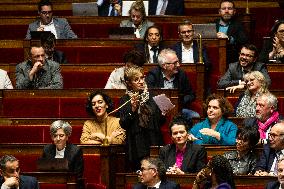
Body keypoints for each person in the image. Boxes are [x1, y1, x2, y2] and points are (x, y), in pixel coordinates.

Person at [119, 66, 164, 170]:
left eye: (142, 78)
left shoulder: (154, 96)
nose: (141, 82)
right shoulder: (125, 100)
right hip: (136, 143)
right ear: (129, 83)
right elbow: (123, 124)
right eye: (136, 80)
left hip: (153, 139)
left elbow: (160, 122)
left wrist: (162, 114)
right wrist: (133, 110)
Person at [146, 48, 197, 119]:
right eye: (175, 63)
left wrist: (178, 101)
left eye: (178, 62)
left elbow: (191, 95)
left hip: (179, 109)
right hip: (158, 111)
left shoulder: (181, 74)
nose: (178, 65)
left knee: (195, 116)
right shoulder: (153, 75)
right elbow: (148, 96)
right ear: (164, 65)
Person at [42, 120, 84, 185]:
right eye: (55, 136)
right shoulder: (47, 150)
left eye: (61, 135)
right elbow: (43, 174)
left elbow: (78, 176)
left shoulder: (76, 151)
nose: (58, 139)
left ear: (67, 136)